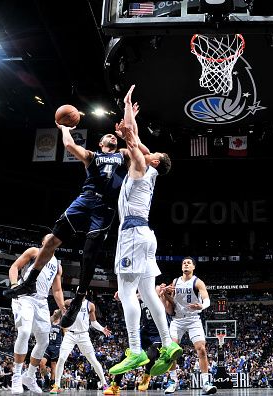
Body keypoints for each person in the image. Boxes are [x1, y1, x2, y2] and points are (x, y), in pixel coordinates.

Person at [3, 102, 150, 330]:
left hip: (106, 208)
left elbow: (138, 149)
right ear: (101, 143)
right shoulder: (91, 156)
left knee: (89, 255)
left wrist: (128, 127)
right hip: (85, 200)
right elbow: (70, 145)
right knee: (51, 240)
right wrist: (63, 127)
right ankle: (30, 281)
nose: (112, 136)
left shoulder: (123, 155)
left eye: (114, 136)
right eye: (108, 136)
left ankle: (79, 297)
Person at [108, 84, 179, 379]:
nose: (151, 151)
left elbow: (136, 141)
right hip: (147, 236)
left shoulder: (140, 166)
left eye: (155, 153)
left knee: (127, 293)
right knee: (148, 292)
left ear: (154, 161)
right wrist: (129, 125)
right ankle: (168, 344)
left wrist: (127, 108)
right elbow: (139, 142)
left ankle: (135, 349)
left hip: (132, 235)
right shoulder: (149, 171)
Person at [9, 234, 65, 394]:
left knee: (43, 341)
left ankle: (30, 376)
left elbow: (57, 289)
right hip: (25, 296)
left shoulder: (58, 265)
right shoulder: (34, 251)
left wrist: (63, 308)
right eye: (48, 239)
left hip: (41, 301)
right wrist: (14, 286)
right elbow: (14, 267)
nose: (51, 241)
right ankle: (17, 376)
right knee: (25, 331)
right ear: (42, 242)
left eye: (53, 239)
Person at [161, 256, 217, 395]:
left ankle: (205, 384)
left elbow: (207, 300)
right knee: (171, 351)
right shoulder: (175, 281)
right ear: (182, 267)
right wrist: (165, 293)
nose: (186, 264)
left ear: (193, 267)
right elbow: (171, 303)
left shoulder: (198, 282)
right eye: (184, 263)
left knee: (201, 349)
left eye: (189, 263)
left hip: (193, 319)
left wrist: (201, 306)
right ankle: (173, 382)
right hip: (177, 319)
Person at [104, 286, 167, 395]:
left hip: (158, 333)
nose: (156, 288)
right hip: (145, 331)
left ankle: (146, 376)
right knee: (125, 357)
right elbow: (130, 296)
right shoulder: (143, 294)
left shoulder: (161, 297)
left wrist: (164, 293)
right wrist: (121, 296)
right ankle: (115, 386)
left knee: (150, 355)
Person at [51, 297, 111, 393]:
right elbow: (58, 314)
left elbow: (94, 322)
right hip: (70, 334)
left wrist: (102, 329)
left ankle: (104, 384)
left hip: (83, 335)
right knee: (61, 358)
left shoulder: (90, 305)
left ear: (85, 294)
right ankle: (56, 385)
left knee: (93, 360)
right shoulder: (69, 302)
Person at [40, 310, 64, 391]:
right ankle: (46, 379)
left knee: (54, 366)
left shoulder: (62, 324)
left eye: (57, 312)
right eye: (54, 312)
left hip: (56, 347)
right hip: (47, 345)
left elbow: (66, 335)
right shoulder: (49, 322)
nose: (55, 313)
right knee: (41, 363)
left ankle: (52, 383)